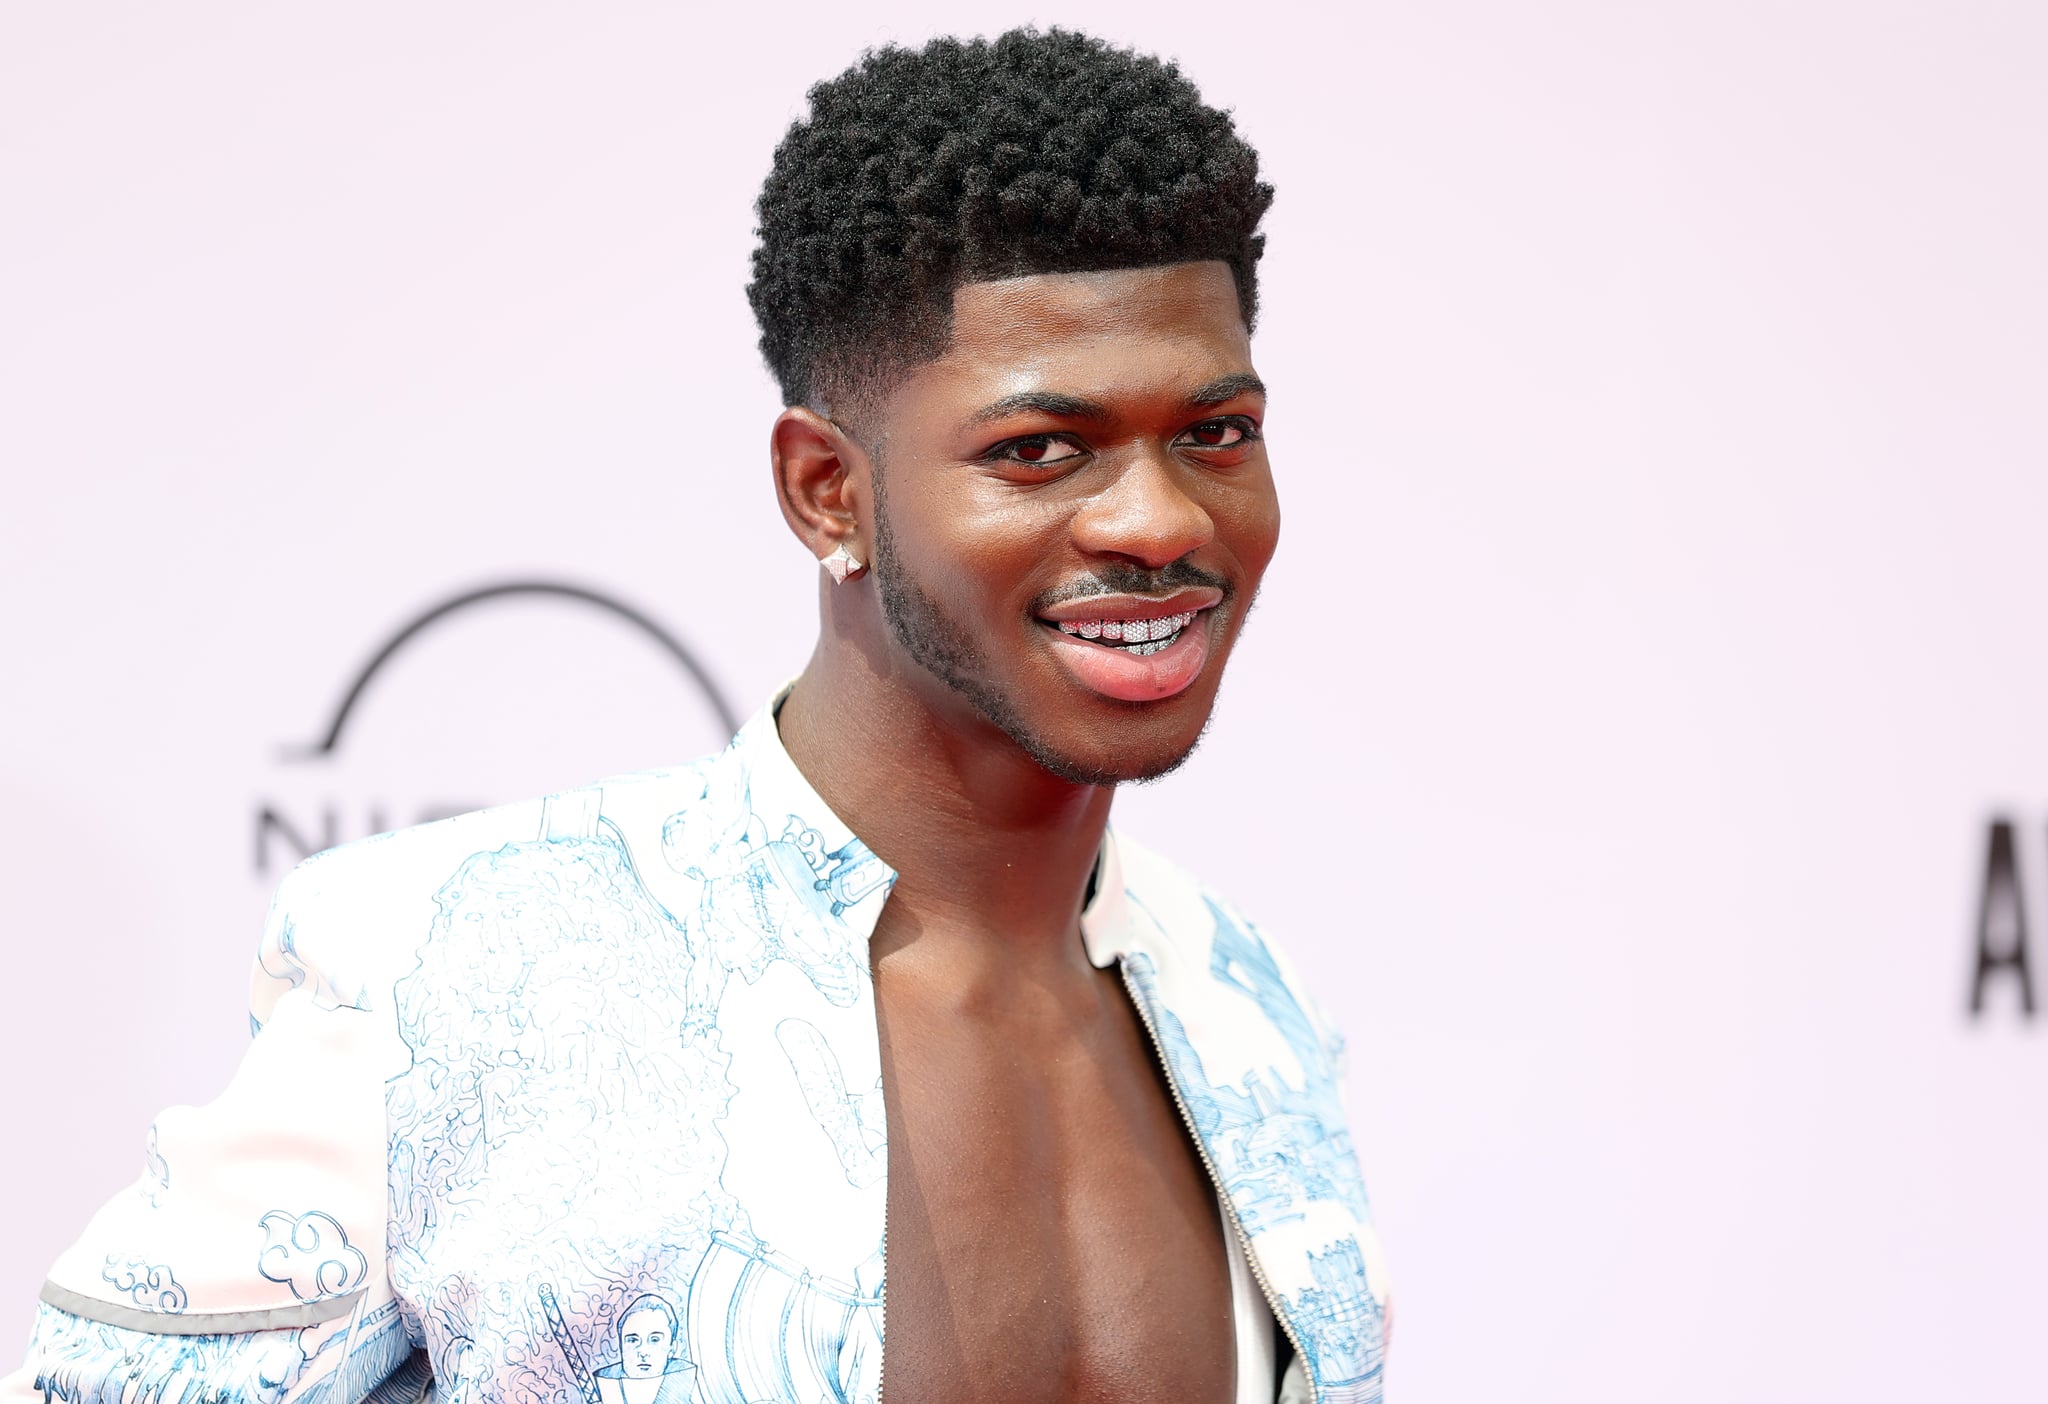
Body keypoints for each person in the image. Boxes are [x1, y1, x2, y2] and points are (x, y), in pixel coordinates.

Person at [8, 27, 1390, 1404]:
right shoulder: (456, 978)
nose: (1158, 519)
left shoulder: (1249, 1007)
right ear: (826, 492)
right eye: (1039, 450)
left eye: (1216, 433)